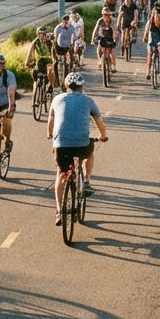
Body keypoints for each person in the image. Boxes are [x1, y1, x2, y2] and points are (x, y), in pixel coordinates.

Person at [47, 71, 109, 224]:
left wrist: (49, 134)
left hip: (61, 145)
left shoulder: (57, 99)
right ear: (81, 87)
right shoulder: (88, 100)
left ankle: (60, 211)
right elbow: (99, 121)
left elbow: (51, 121)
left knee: (61, 174)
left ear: (66, 86)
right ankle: (86, 180)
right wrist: (103, 136)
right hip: (82, 145)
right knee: (90, 152)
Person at [143, 5, 160, 80]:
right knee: (150, 54)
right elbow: (146, 31)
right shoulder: (150, 23)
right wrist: (144, 38)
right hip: (152, 39)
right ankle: (148, 72)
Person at [25, 26, 55, 95]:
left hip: (49, 60)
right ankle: (38, 85)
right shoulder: (35, 42)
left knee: (50, 70)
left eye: (44, 34)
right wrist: (27, 62)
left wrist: (54, 61)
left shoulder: (49, 42)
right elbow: (29, 54)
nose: (42, 36)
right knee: (36, 73)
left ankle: (50, 85)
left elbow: (53, 54)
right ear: (37, 35)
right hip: (39, 61)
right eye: (40, 34)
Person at [90, 8, 119, 72]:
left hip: (111, 37)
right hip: (102, 36)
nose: (106, 16)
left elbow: (115, 31)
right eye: (105, 14)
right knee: (99, 48)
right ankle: (99, 61)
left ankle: (114, 67)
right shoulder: (100, 20)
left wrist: (114, 40)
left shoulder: (113, 21)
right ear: (103, 15)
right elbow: (95, 30)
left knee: (112, 51)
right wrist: (92, 39)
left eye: (108, 14)